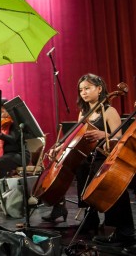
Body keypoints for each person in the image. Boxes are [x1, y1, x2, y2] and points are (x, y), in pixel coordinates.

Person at [45, 74, 135, 251]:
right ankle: (90, 214)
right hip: (90, 155)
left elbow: (119, 139)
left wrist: (104, 135)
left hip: (106, 157)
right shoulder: (83, 113)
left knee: (102, 177)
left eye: (87, 88)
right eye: (81, 90)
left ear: (99, 89)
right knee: (81, 165)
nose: (83, 92)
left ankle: (121, 230)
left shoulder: (109, 111)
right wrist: (60, 147)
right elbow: (76, 136)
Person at [0, 99, 30, 179]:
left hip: (20, 155)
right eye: (0, 112)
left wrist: (0, 134)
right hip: (8, 155)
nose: (1, 114)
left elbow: (13, 139)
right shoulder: (2, 124)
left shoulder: (15, 123)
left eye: (2, 111)